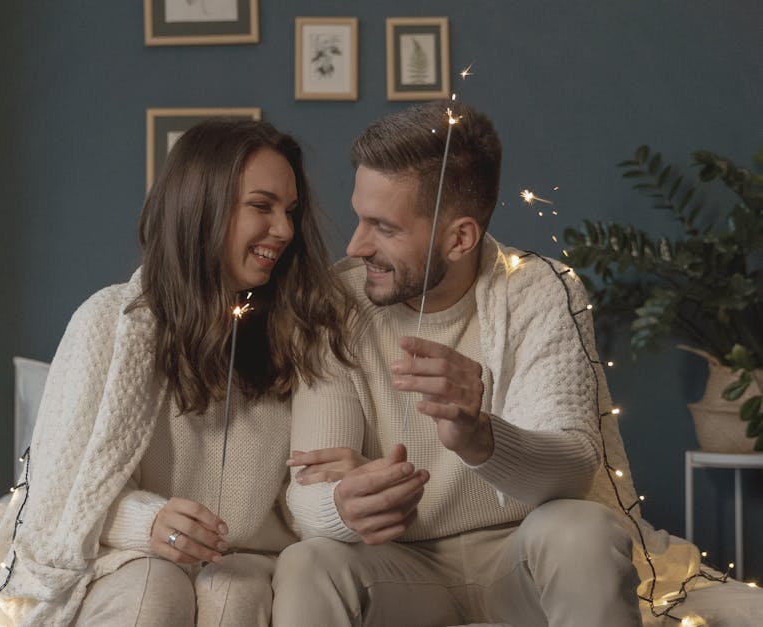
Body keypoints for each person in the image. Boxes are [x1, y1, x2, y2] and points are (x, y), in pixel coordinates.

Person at [0, 119, 354, 626]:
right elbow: (56, 499)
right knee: (152, 591)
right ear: (201, 209)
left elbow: (300, 499)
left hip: (247, 560)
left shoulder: (304, 332)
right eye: (261, 206)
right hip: (125, 553)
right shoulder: (110, 322)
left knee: (232, 595)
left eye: (291, 211)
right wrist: (148, 521)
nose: (284, 229)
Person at [271, 101, 647, 626]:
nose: (356, 246)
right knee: (306, 563)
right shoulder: (334, 304)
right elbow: (308, 492)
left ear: (459, 238)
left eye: (383, 227)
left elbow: (573, 471)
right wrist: (342, 506)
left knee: (585, 531)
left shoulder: (539, 289)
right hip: (398, 567)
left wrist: (479, 436)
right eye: (359, 217)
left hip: (519, 555)